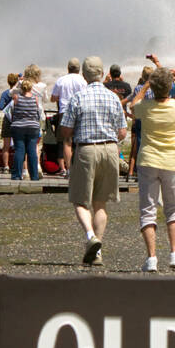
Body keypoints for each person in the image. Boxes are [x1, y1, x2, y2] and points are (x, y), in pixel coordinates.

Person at [129, 65, 175, 272]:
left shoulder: (146, 107)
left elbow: (132, 106)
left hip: (149, 161)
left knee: (148, 210)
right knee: (173, 208)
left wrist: (145, 85)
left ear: (153, 86)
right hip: (172, 162)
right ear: (170, 87)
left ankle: (151, 258)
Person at [60, 55, 127, 265]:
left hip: (87, 149)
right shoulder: (113, 97)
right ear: (102, 72)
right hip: (110, 149)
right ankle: (98, 253)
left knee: (80, 199)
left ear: (84, 75)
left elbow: (66, 130)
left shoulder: (78, 97)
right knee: (101, 203)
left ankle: (91, 237)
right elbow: (123, 131)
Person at [51, 59, 87, 176]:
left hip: (64, 112)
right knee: (79, 141)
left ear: (68, 68)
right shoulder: (83, 81)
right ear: (79, 69)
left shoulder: (61, 80)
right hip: (80, 112)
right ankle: (79, 169)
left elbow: (53, 98)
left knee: (66, 142)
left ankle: (69, 170)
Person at [8, 77, 42, 182]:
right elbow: (39, 113)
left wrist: (18, 83)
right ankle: (34, 176)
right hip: (33, 127)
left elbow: (11, 93)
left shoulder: (16, 98)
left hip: (18, 127)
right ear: (31, 88)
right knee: (32, 151)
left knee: (19, 150)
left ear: (21, 88)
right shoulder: (35, 98)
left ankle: (17, 175)